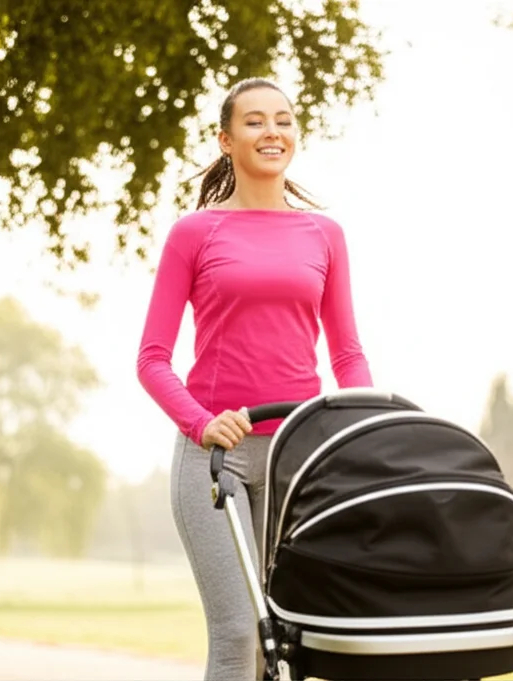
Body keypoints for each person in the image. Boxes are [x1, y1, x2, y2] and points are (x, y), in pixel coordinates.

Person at [135, 76, 374, 681]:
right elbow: (152, 358)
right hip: (217, 459)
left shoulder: (325, 235)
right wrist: (202, 423)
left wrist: (366, 429)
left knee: (289, 642)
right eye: (255, 121)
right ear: (225, 140)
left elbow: (347, 355)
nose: (273, 131)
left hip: (297, 462)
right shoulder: (196, 233)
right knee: (240, 633)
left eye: (284, 120)